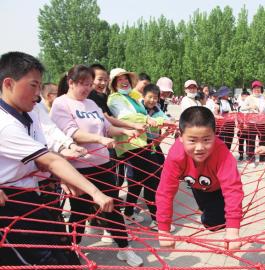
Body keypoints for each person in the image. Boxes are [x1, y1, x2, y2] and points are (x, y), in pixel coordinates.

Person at [0, 52, 113, 266]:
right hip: (11, 202)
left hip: (35, 191)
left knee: (62, 250)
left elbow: (50, 138)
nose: (38, 94)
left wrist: (65, 152)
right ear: (8, 84)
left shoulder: (31, 111)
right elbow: (51, 160)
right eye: (33, 86)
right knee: (39, 259)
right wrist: (95, 193)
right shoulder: (5, 124)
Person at [50, 64, 144, 266]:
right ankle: (74, 248)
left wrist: (125, 132)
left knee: (112, 206)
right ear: (71, 82)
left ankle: (124, 248)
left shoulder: (91, 104)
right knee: (79, 212)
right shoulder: (61, 104)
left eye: (89, 84)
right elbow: (71, 133)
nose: (87, 88)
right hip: (79, 169)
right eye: (82, 84)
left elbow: (108, 128)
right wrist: (99, 140)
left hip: (104, 165)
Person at [156, 106, 244, 250]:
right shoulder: (176, 155)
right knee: (207, 214)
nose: (199, 147)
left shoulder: (222, 153)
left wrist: (233, 231)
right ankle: (206, 212)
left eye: (206, 139)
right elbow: (165, 191)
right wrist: (164, 230)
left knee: (215, 224)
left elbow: (233, 189)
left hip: (218, 189)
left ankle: (212, 215)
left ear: (215, 135)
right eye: (192, 140)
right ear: (180, 136)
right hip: (197, 187)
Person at [107, 68, 163, 224]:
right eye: (119, 79)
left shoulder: (133, 96)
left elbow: (149, 114)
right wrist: (148, 120)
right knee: (152, 180)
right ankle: (157, 220)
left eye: (126, 78)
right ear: (113, 83)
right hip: (130, 144)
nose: (124, 81)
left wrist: (164, 121)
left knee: (136, 181)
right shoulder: (114, 98)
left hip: (142, 142)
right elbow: (126, 116)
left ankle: (129, 213)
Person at [141, 84, 176, 232]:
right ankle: (155, 219)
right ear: (143, 96)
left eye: (155, 98)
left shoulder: (157, 110)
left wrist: (173, 125)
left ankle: (136, 213)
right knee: (149, 181)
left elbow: (165, 119)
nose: (152, 100)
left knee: (157, 177)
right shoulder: (139, 109)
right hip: (139, 146)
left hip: (153, 145)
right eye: (150, 97)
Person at [244, 80, 265, 163]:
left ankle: (262, 159)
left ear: (261, 89)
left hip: (261, 123)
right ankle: (251, 159)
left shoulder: (264, 98)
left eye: (258, 88)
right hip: (251, 123)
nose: (257, 89)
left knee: (263, 141)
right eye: (255, 88)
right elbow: (241, 109)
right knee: (251, 142)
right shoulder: (249, 98)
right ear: (252, 89)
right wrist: (250, 107)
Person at [236, 89, 250, 161]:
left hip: (249, 128)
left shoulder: (251, 107)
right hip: (241, 128)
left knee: (249, 142)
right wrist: (241, 124)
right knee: (241, 142)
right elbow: (238, 117)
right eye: (244, 96)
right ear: (241, 97)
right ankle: (241, 154)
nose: (245, 98)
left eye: (247, 96)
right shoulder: (239, 107)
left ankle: (248, 154)